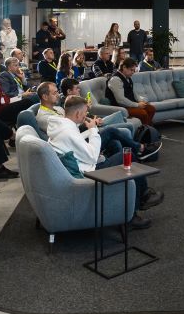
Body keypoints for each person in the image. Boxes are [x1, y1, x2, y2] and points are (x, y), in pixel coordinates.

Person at [46, 96, 161, 228]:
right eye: (84, 113)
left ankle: (140, 195)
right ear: (77, 113)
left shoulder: (61, 126)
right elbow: (92, 157)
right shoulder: (68, 132)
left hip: (83, 164)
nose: (86, 116)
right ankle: (134, 212)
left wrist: (91, 130)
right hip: (88, 172)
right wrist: (93, 130)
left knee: (114, 141)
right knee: (128, 157)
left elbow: (76, 143)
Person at [53, 79, 159, 160]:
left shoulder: (74, 103)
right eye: (77, 88)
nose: (79, 90)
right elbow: (77, 122)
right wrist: (92, 124)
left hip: (90, 127)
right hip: (88, 132)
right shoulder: (68, 105)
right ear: (69, 91)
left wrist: (91, 116)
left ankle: (133, 158)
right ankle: (139, 150)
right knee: (114, 130)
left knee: (117, 130)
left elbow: (79, 119)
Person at [105, 58, 156, 126]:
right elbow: (120, 100)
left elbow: (133, 93)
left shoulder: (127, 77)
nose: (133, 72)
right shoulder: (115, 79)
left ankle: (146, 127)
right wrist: (137, 105)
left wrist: (140, 101)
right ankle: (144, 129)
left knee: (151, 109)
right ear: (124, 67)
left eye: (134, 70)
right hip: (120, 107)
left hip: (129, 104)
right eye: (131, 70)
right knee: (142, 113)